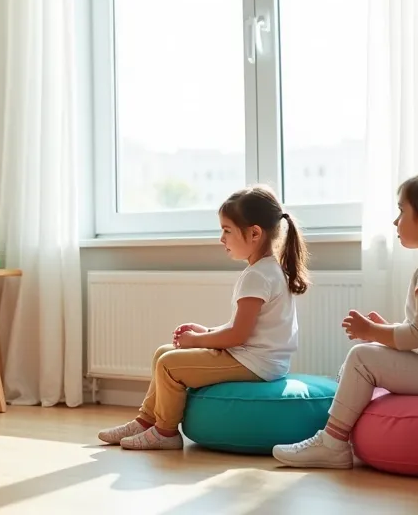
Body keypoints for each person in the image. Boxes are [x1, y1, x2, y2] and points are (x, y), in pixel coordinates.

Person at [273, 170, 418, 469]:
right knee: (369, 354)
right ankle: (333, 432)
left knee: (361, 358)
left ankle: (332, 442)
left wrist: (373, 331)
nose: (396, 221)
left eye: (401, 211)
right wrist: (383, 332)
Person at [97, 186, 310, 450]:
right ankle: (145, 420)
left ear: (254, 233)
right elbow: (246, 328)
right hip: (261, 358)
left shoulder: (257, 276)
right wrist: (207, 330)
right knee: (162, 353)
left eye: (227, 230)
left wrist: (198, 340)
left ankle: (165, 433)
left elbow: (238, 336)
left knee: (169, 364)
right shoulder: (268, 270)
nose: (222, 238)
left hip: (256, 363)